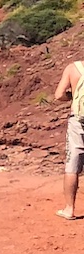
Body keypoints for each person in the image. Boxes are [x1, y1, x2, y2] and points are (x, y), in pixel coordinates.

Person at [56, 58, 84, 218]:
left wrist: (72, 96)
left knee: (72, 164)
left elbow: (59, 95)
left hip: (78, 121)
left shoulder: (73, 68)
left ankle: (69, 209)